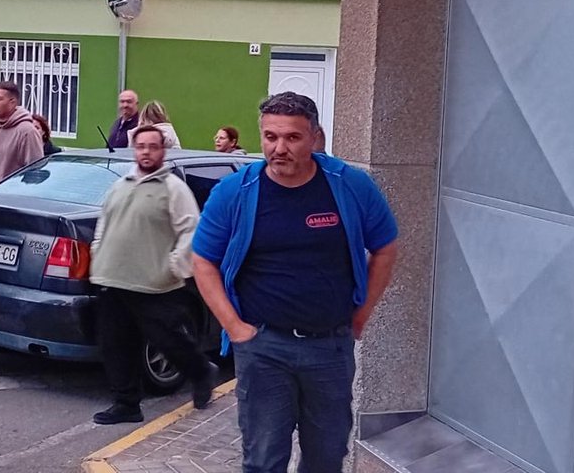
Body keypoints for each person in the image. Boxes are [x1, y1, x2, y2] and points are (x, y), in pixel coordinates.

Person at [191, 92, 400, 473]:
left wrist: (361, 314)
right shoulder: (235, 192)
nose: (279, 148)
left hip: (329, 348)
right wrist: (235, 329)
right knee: (264, 459)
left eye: (292, 137)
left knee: (327, 458)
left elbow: (385, 247)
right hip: (264, 348)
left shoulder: (349, 185)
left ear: (315, 137)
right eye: (270, 137)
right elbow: (203, 260)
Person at [89, 125, 219, 425]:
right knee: (116, 344)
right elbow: (104, 223)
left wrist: (174, 266)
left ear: (163, 151)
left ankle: (201, 371)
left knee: (167, 339)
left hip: (154, 284)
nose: (146, 152)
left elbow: (191, 231)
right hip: (112, 278)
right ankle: (127, 405)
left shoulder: (174, 189)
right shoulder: (121, 185)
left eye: (153, 146)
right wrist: (98, 252)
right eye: (141, 146)